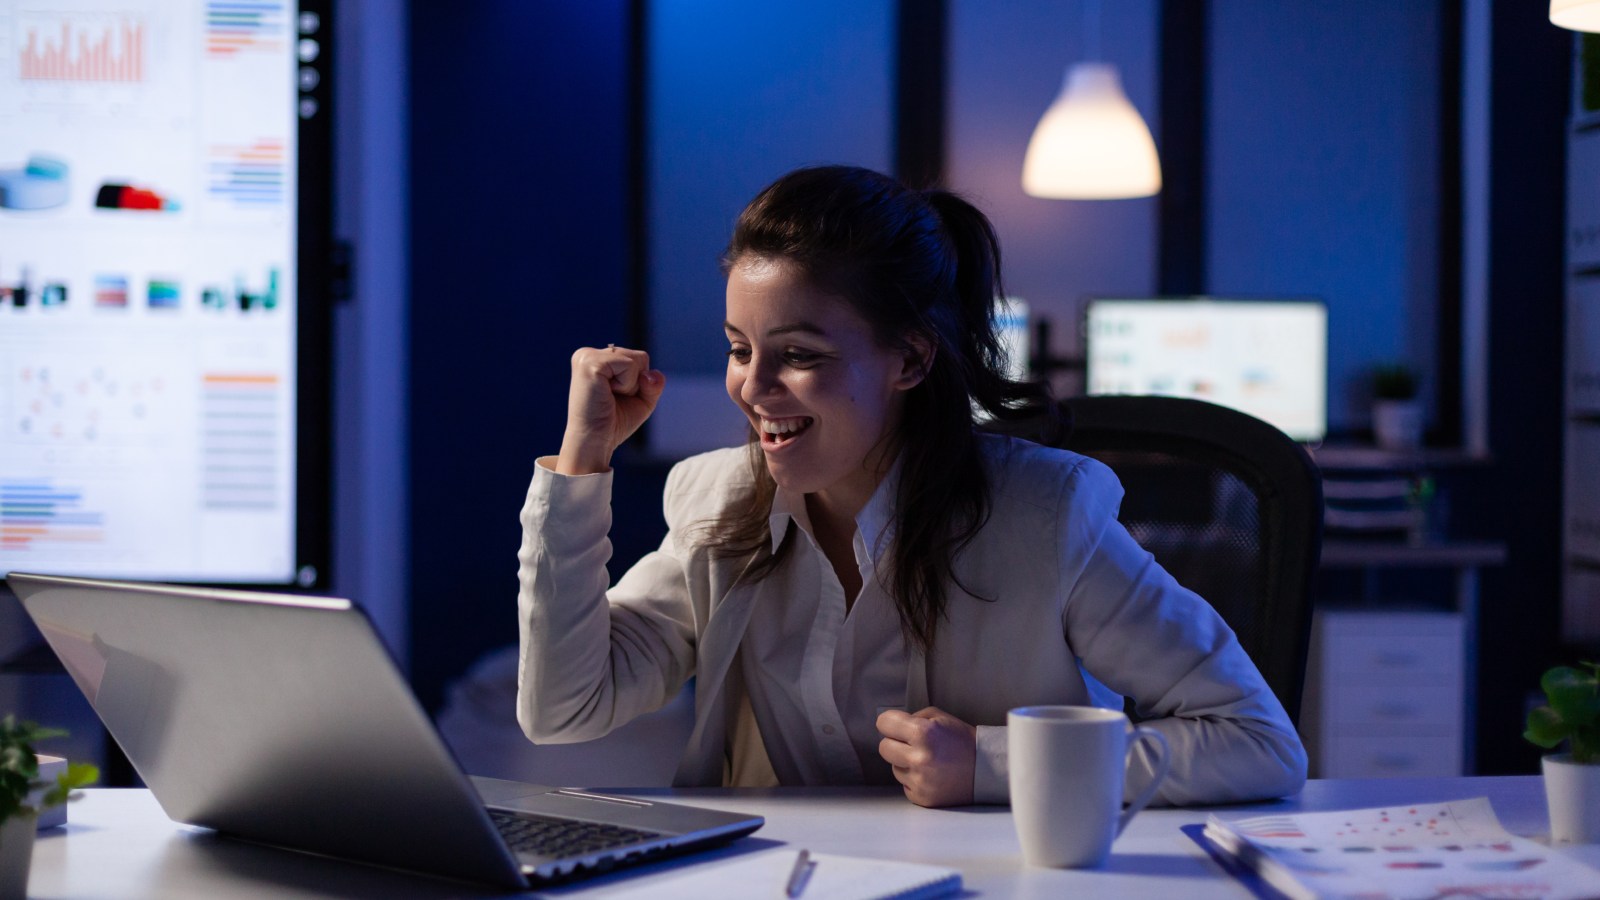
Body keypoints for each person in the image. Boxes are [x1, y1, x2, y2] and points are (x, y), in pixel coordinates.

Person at [516, 165, 1306, 808]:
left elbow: (1258, 742)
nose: (753, 388)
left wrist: (994, 765)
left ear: (910, 361)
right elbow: (562, 709)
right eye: (737, 348)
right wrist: (582, 461)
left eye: (800, 354)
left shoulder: (1046, 516)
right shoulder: (717, 504)